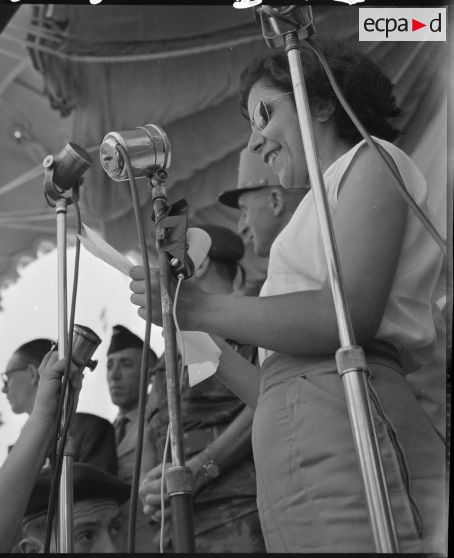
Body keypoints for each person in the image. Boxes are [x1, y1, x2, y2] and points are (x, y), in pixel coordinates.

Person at [129, 37, 446, 553]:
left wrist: (203, 306)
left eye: (263, 115)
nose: (256, 142)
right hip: (292, 454)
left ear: (320, 100)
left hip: (352, 431)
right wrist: (186, 320)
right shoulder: (309, 212)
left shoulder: (375, 159)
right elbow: (273, 387)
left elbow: (348, 316)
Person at [140, 224, 265, 553]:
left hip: (235, 519)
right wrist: (154, 488)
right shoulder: (173, 341)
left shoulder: (251, 322)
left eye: (169, 258)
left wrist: (202, 467)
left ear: (202, 261)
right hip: (178, 524)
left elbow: (271, 399)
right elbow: (159, 428)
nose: (160, 270)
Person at [0, 350, 130, 553]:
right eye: (88, 536)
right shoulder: (17, 449)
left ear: (31, 374)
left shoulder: (88, 428)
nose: (112, 551)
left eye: (7, 378)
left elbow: (95, 506)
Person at [3, 338, 116, 465]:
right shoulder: (19, 445)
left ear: (32, 374)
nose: (3, 389)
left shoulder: (91, 431)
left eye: (7, 378)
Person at [106, 324, 159, 552]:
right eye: (109, 365)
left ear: (150, 375)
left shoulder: (158, 423)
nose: (114, 375)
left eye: (126, 364)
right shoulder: (103, 433)